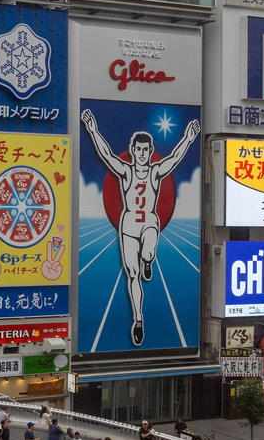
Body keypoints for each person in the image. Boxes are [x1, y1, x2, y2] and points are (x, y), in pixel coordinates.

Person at [79, 107, 200, 347]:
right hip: (129, 224)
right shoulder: (125, 171)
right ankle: (138, 319)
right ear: (133, 151)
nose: (142, 154)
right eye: (138, 150)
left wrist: (188, 138)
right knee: (132, 275)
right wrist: (92, 130)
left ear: (150, 152)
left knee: (148, 252)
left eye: (146, 150)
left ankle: (148, 260)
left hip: (149, 222)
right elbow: (106, 155)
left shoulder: (155, 172)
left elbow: (174, 158)